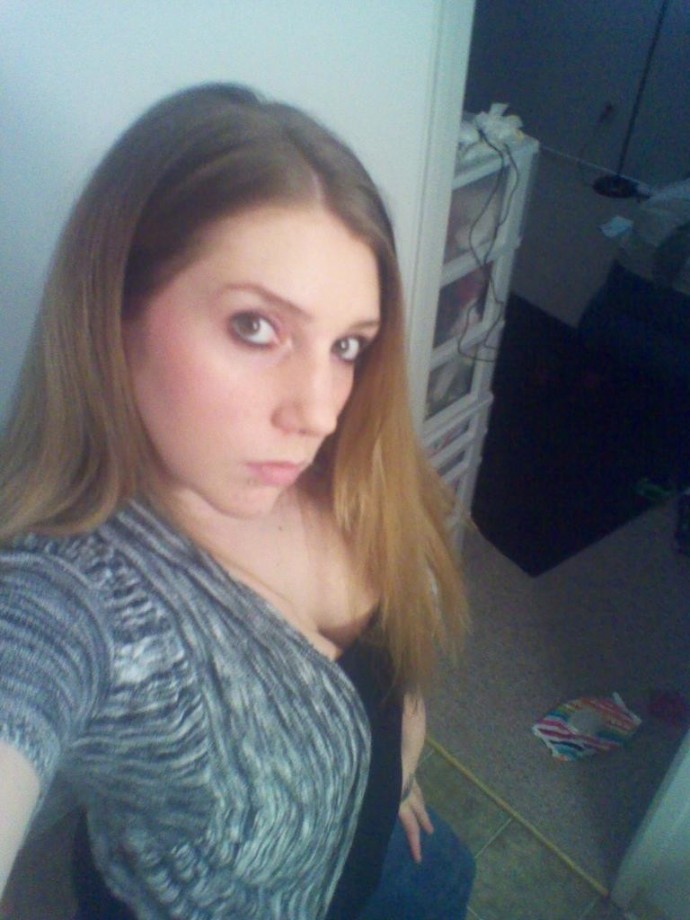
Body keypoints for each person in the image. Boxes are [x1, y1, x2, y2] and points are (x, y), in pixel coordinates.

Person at [0, 84, 474, 918]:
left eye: (347, 345)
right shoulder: (71, 595)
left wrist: (389, 774)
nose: (318, 412)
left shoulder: (345, 468)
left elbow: (388, 667)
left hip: (388, 851)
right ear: (113, 311)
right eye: (256, 326)